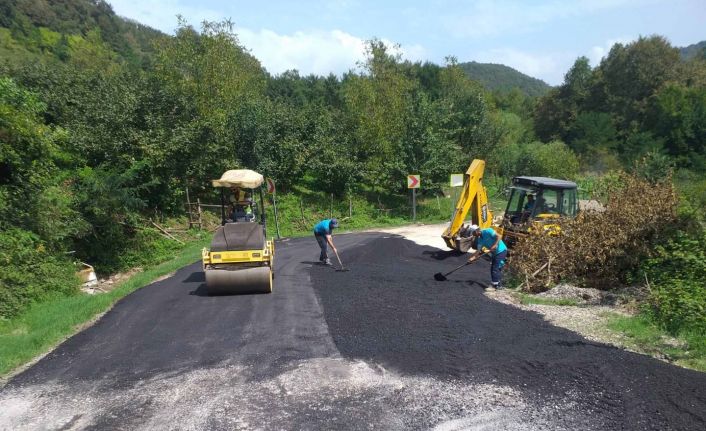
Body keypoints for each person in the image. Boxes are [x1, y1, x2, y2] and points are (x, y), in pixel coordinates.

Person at [467, 224, 508, 290]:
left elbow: (499, 236)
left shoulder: (488, 231)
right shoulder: (480, 240)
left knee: (495, 267)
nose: (473, 235)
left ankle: (494, 286)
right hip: (495, 253)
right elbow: (478, 251)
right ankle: (499, 285)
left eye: (473, 233)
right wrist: (472, 258)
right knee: (497, 267)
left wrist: (495, 245)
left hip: (501, 250)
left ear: (477, 231)